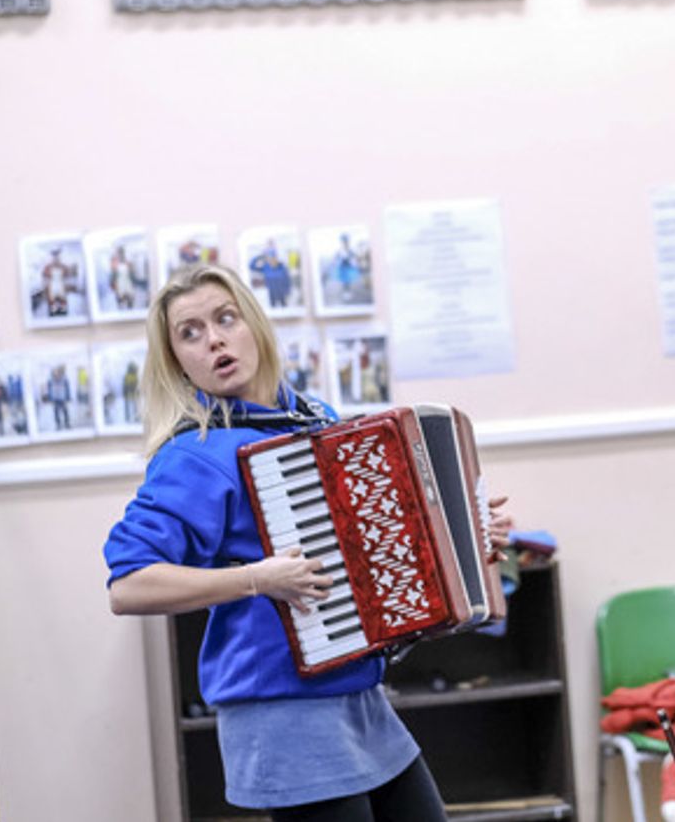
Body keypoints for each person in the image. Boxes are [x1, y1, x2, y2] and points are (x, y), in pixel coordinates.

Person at [103, 263, 513, 821]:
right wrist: (257, 579)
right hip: (282, 713)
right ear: (177, 362)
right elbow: (129, 585)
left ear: (255, 325)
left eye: (226, 318)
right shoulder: (194, 454)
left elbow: (376, 548)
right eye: (190, 333)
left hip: (358, 697)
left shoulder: (313, 418)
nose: (215, 339)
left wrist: (465, 531)